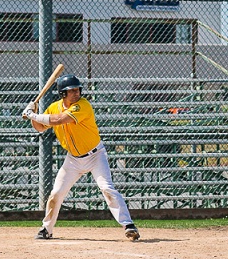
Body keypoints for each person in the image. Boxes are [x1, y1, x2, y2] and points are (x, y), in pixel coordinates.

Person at [21, 75, 140, 241]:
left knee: (107, 188)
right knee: (56, 194)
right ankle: (46, 229)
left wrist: (32, 115)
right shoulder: (54, 107)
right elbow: (40, 127)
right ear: (63, 94)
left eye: (77, 89)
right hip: (73, 159)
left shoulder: (83, 105)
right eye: (71, 91)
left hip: (95, 155)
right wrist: (32, 113)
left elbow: (61, 120)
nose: (76, 93)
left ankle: (128, 225)